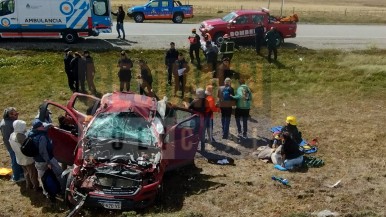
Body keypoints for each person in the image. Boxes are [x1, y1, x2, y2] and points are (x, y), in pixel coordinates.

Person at [28, 120, 63, 201]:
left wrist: (50, 125)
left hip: (37, 160)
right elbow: (43, 151)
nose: (44, 127)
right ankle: (61, 190)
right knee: (59, 173)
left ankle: (46, 192)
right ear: (39, 128)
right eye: (42, 126)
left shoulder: (31, 134)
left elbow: (44, 128)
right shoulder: (42, 137)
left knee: (42, 177)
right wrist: (48, 162)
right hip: (47, 160)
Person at [9, 120, 40, 190]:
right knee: (33, 174)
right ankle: (36, 187)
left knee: (26, 173)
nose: (25, 128)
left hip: (19, 158)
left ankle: (28, 185)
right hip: (27, 158)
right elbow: (29, 147)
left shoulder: (12, 135)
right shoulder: (22, 137)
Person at [0, 107, 24, 182]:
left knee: (18, 159)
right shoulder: (6, 125)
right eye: (15, 113)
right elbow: (8, 137)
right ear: (9, 115)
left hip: (14, 144)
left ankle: (21, 173)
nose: (17, 114)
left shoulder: (9, 121)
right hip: (12, 146)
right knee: (15, 160)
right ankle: (16, 177)